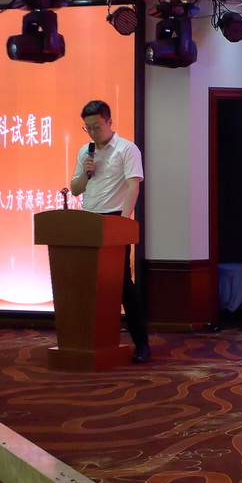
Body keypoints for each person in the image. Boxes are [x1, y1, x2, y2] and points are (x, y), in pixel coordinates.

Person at [69, 100, 150, 363]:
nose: (92, 132)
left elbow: (133, 186)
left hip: (115, 219)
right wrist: (86, 172)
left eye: (96, 126)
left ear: (109, 122)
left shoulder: (127, 149)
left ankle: (141, 344)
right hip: (88, 220)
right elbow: (76, 189)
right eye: (88, 128)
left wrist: (123, 223)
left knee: (123, 284)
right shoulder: (85, 151)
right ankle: (93, 341)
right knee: (90, 283)